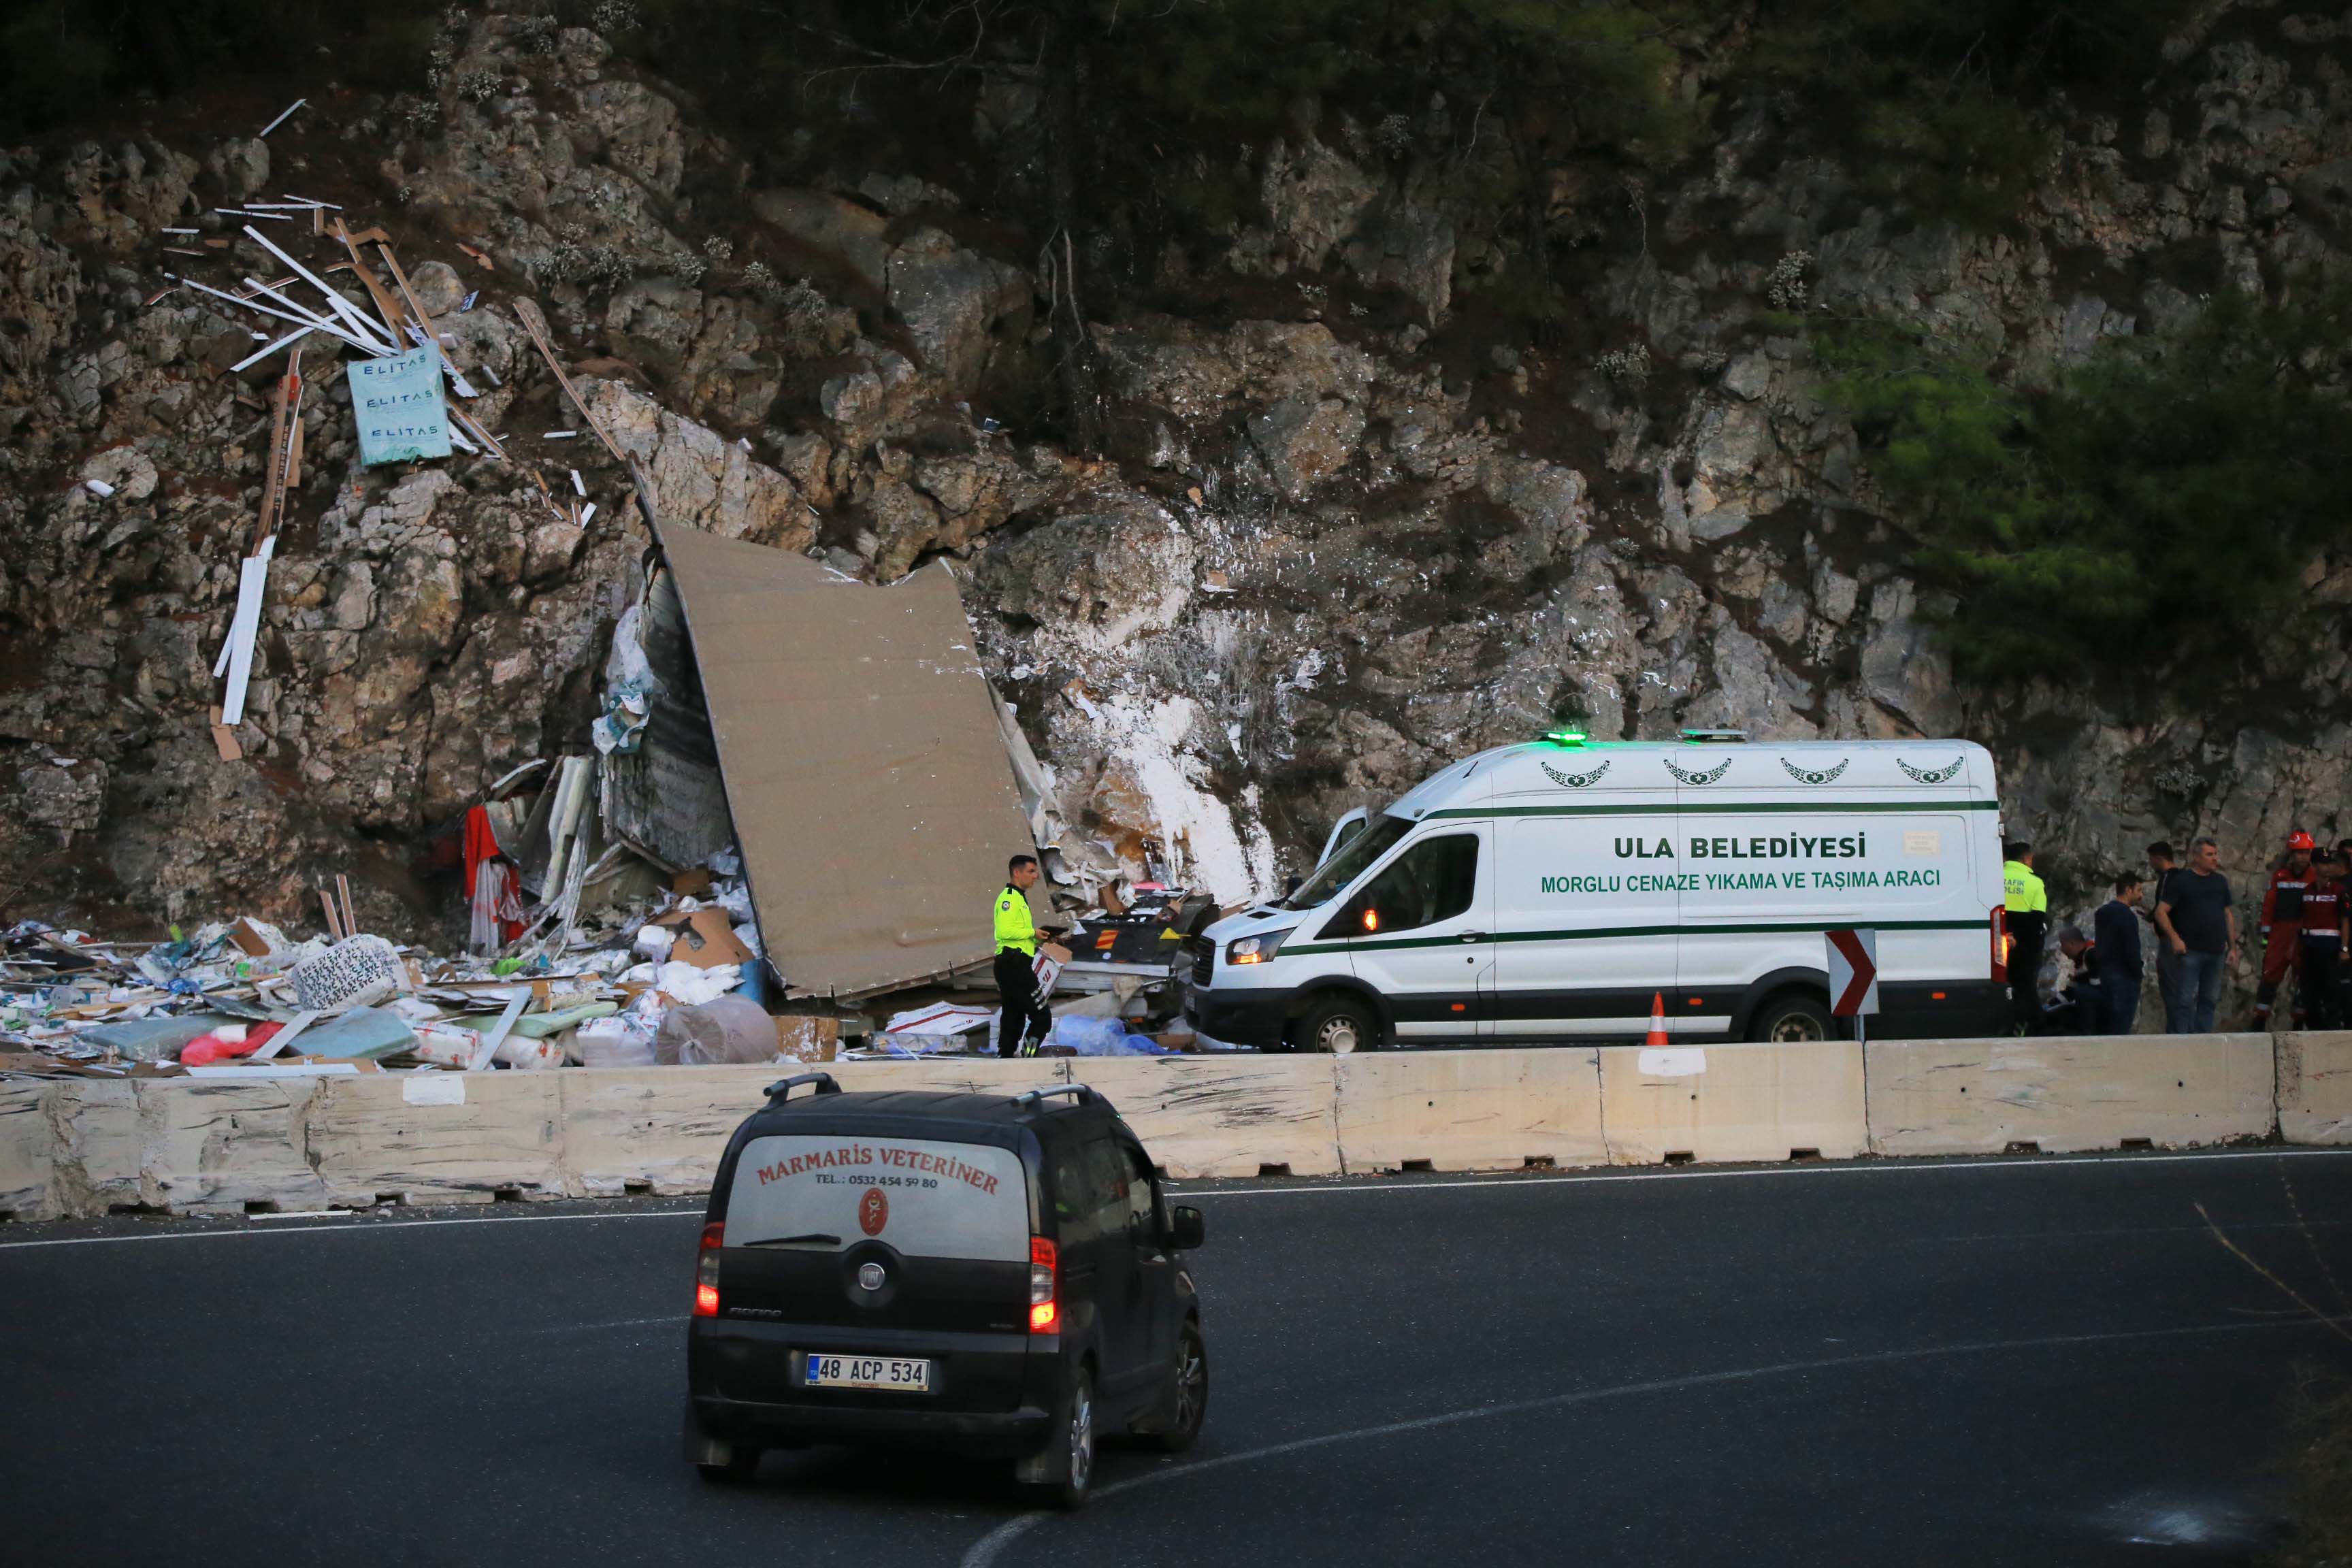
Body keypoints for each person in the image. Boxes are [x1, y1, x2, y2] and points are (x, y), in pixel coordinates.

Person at [2154, 837, 2237, 1032]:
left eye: (2215, 854)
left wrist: (2232, 947)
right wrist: (2175, 939)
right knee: (2184, 1000)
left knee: (2209, 999)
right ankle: (2183, 1041)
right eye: (2209, 855)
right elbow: (2160, 912)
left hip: (2216, 952)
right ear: (2196, 857)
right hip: (2190, 952)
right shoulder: (2182, 881)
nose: (2215, 859)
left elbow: (2228, 915)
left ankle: (2203, 1040)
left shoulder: (2220, 881)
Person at [2252, 831, 2318, 1030]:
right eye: (2299, 853)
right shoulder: (2280, 876)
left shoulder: (2314, 877)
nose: (2303, 857)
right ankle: (2260, 1019)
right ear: (2291, 854)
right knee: (2270, 976)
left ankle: (2299, 1021)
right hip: (2281, 931)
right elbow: (2270, 905)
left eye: (2306, 852)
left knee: (2303, 976)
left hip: (2303, 932)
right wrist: (2267, 932)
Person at [992, 853, 1054, 1058]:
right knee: (1042, 1017)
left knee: (1014, 1015)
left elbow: (1018, 936)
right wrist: (1032, 932)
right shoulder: (1009, 899)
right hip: (1013, 964)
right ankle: (1028, 1057)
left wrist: (1039, 938)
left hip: (1014, 962)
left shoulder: (1019, 898)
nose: (1035, 876)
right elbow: (1004, 932)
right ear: (1017, 873)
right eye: (1031, 871)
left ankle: (1006, 1057)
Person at [2297, 845, 2349, 1030]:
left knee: (2331, 992)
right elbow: (2300, 920)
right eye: (2323, 863)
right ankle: (2314, 1031)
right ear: (2314, 866)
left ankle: (2332, 1031)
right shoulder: (2307, 891)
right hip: (2309, 948)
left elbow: (2345, 921)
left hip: (2329, 948)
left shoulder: (2339, 890)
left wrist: (2344, 949)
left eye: (2329, 863)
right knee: (2309, 994)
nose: (2327, 868)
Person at [2003, 840, 2048, 1034]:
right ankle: (2028, 1028)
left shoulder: (1994, 877)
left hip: (1996, 945)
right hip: (2025, 948)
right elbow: (2037, 920)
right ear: (2025, 858)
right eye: (2031, 859)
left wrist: (2005, 937)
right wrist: (2018, 940)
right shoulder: (2035, 883)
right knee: (2025, 989)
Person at [2092, 872, 2145, 1034]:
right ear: (2128, 890)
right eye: (2139, 890)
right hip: (2125, 976)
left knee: (2110, 1026)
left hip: (2107, 975)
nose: (2141, 895)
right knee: (2121, 1027)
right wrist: (2138, 973)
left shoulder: (2103, 912)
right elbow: (2132, 949)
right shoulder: (2127, 916)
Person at [2145, 842, 2183, 1028]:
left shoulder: (2168, 878)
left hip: (2169, 941)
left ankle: (2176, 1031)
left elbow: (2162, 907)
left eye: (2152, 860)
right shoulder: (2184, 877)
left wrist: (2151, 916)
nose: (2151, 865)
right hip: (2181, 940)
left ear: (2159, 858)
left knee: (2170, 988)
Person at [2041, 925, 2100, 1034]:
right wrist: (2048, 1006)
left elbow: (2096, 986)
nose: (2062, 950)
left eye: (2063, 945)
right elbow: (2069, 992)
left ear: (2072, 944)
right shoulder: (2081, 960)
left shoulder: (2092, 955)